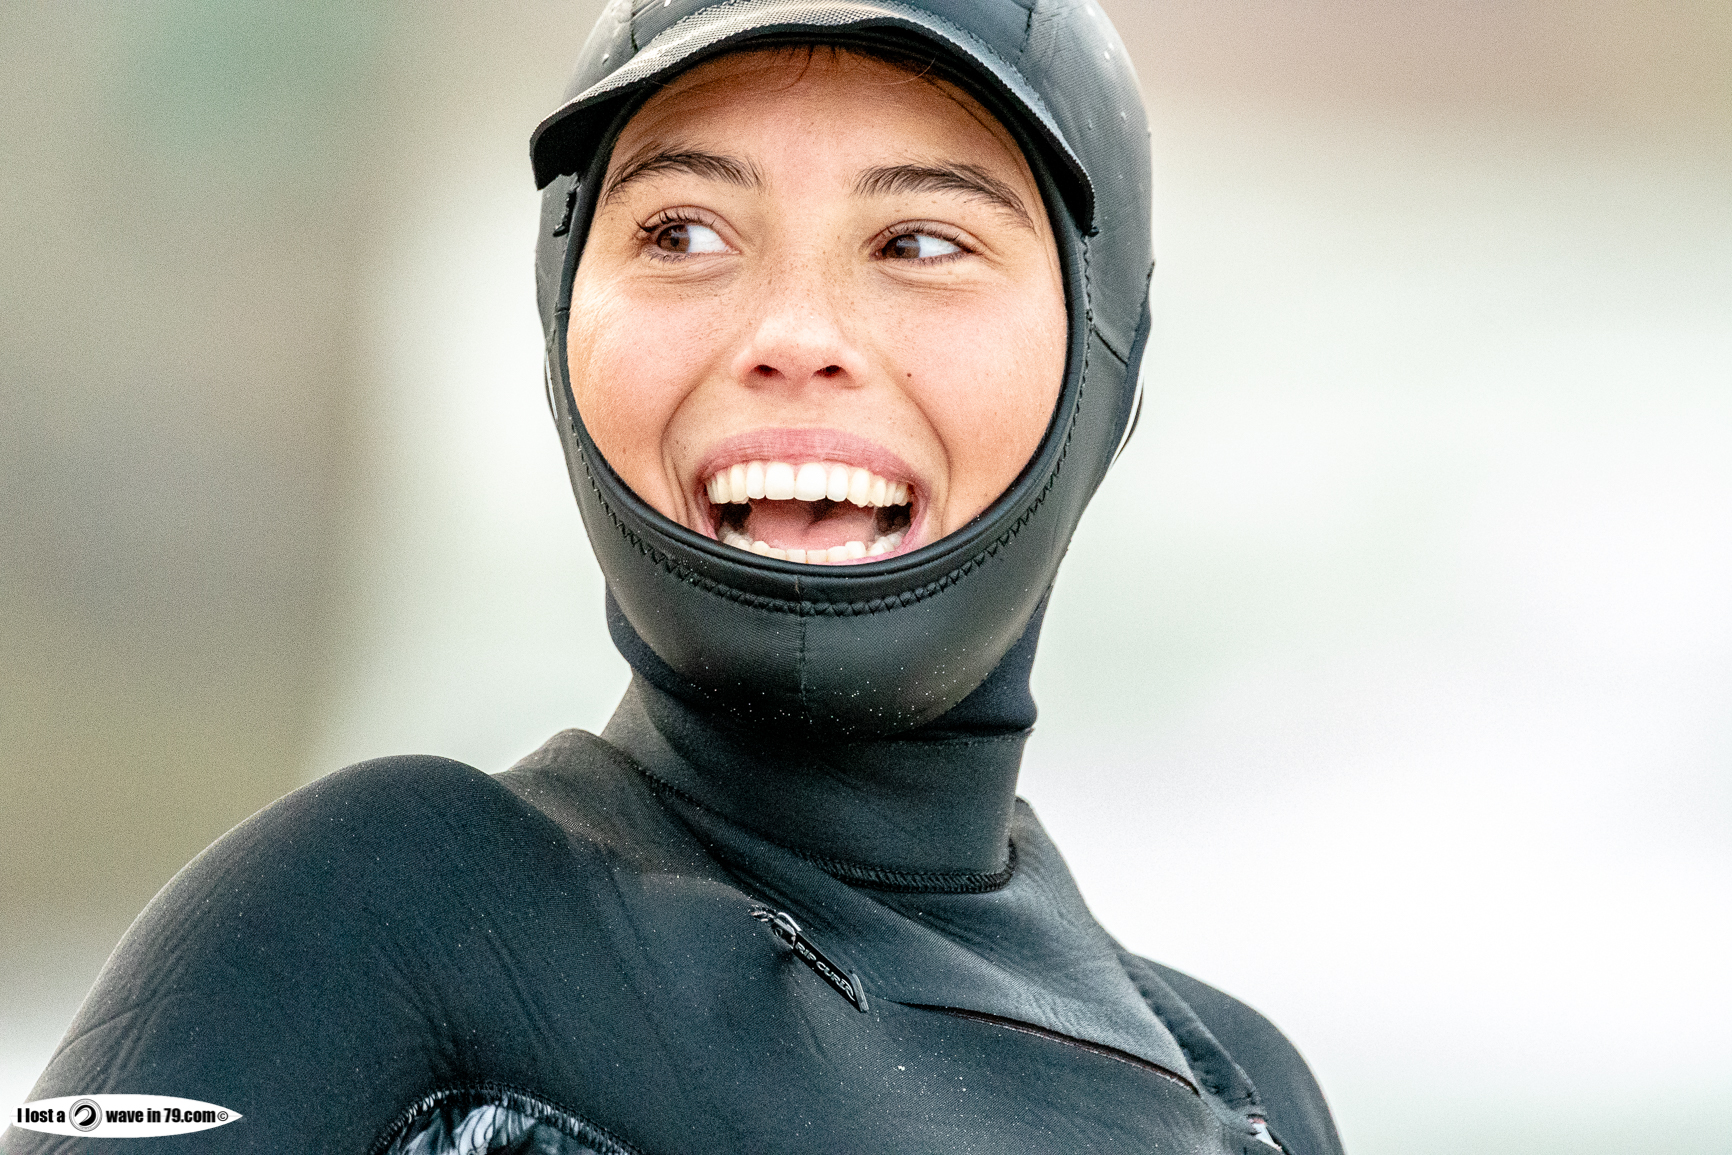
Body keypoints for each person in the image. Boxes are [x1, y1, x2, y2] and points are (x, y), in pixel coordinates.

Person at [8, 3, 1345, 1153]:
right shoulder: (378, 923)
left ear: (1110, 344)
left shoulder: (1244, 1097)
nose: (795, 334)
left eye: (921, 243)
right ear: (560, 316)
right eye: (685, 233)